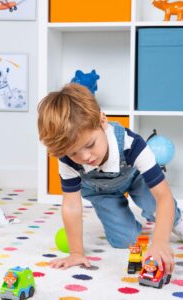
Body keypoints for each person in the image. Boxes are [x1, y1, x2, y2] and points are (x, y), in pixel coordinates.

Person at [37, 83, 183, 274]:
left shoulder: (132, 145)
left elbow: (163, 195)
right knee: (126, 240)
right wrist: (76, 252)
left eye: (90, 144)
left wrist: (159, 242)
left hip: (135, 179)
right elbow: (71, 205)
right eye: (74, 153)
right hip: (100, 192)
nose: (85, 157)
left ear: (102, 121)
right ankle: (128, 221)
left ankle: (176, 220)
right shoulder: (66, 159)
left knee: (155, 204)